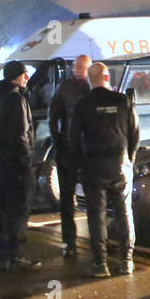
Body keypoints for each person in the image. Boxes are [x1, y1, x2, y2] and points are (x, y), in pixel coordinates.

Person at [71, 61, 139, 278]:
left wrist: (80, 164)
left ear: (90, 81)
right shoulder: (123, 101)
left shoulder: (82, 104)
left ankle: (100, 263)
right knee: (124, 212)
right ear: (107, 78)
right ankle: (126, 260)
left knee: (96, 215)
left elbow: (73, 138)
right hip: (120, 164)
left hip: (93, 166)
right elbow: (135, 134)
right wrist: (129, 158)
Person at [0, 61, 41, 272]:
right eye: (25, 74)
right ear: (17, 76)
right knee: (19, 207)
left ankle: (2, 254)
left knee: (2, 208)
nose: (27, 77)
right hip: (15, 163)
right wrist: (27, 162)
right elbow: (21, 134)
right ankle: (16, 253)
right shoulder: (17, 99)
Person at [47, 54, 92, 262]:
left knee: (95, 197)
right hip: (68, 150)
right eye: (77, 67)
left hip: (89, 150)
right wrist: (58, 141)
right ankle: (69, 242)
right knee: (67, 198)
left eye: (83, 67)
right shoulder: (65, 87)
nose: (79, 70)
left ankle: (97, 241)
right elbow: (53, 115)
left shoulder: (94, 87)